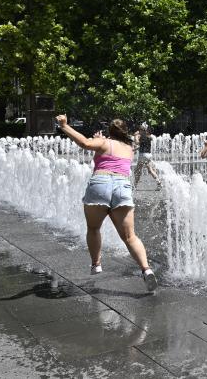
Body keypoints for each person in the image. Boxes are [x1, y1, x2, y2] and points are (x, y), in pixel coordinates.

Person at [55, 115, 158, 293]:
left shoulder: (103, 143)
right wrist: (101, 140)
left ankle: (96, 264)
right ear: (125, 131)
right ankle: (146, 269)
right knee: (130, 237)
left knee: (94, 228)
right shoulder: (129, 147)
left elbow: (85, 144)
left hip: (100, 184)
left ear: (110, 131)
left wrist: (64, 126)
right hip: (122, 187)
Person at [133, 122, 160, 188]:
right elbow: (141, 146)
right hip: (149, 155)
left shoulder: (141, 137)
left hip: (143, 155)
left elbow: (136, 142)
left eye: (140, 130)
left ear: (142, 130)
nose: (139, 131)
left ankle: (134, 186)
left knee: (137, 171)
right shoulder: (149, 137)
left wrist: (135, 136)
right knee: (150, 170)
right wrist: (135, 149)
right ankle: (159, 182)